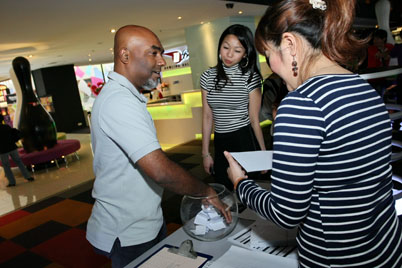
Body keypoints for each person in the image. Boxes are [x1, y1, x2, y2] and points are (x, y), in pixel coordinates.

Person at [224, 0, 402, 267]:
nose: (270, 65)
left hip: (340, 259)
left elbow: (285, 213)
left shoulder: (301, 105)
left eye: (267, 54)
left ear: (289, 45)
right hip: (385, 248)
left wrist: (240, 184)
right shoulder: (363, 87)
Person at [86, 25, 231, 268]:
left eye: (161, 53)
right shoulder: (119, 100)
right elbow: (161, 170)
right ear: (125, 56)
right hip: (128, 232)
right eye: (153, 53)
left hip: (144, 223)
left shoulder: (126, 96)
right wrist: (205, 191)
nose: (162, 61)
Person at [200, 24, 266, 190]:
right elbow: (207, 116)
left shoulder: (251, 78)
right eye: (226, 47)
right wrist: (205, 153)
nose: (229, 54)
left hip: (242, 138)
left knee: (246, 190)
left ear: (245, 54)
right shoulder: (207, 77)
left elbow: (254, 120)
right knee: (223, 188)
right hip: (220, 141)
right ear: (219, 47)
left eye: (237, 50)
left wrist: (263, 154)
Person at [0, 114, 34, 187]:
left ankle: (12, 182)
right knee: (19, 163)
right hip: (12, 148)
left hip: (3, 151)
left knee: (6, 166)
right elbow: (14, 134)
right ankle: (28, 177)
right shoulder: (6, 127)